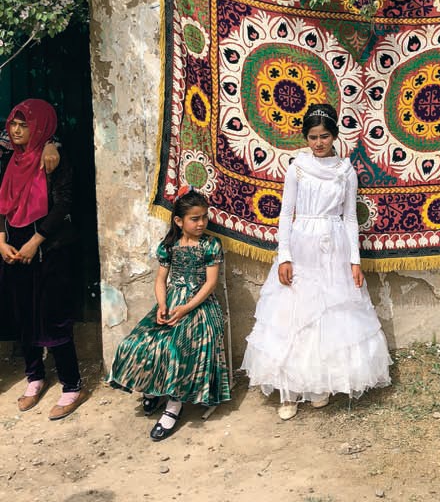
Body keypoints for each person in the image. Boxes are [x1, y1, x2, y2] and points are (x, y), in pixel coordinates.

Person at [241, 103, 392, 420]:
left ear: (334, 136)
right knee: (295, 312)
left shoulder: (345, 172)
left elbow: (349, 218)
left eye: (324, 136)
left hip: (334, 246)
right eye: (312, 137)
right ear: (305, 138)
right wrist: (285, 255)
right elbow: (286, 214)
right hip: (302, 245)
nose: (318, 143)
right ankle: (289, 390)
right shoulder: (297, 168)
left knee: (329, 313)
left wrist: (354, 260)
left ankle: (319, 384)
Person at [107, 188, 231, 440]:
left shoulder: (210, 245)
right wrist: (162, 305)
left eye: (204, 217)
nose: (201, 223)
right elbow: (160, 280)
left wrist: (185, 308)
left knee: (176, 347)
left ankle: (174, 406)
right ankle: (151, 388)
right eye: (195, 219)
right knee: (137, 343)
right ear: (179, 221)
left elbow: (210, 284)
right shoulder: (169, 245)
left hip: (200, 306)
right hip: (172, 302)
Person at [0, 99, 87, 419]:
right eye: (13, 124)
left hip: (49, 248)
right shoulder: (8, 159)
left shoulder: (53, 160)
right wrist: (1, 241)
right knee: (23, 314)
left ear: (39, 128)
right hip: (14, 249)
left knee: (54, 316)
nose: (17, 130)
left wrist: (36, 241)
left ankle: (72, 385)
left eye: (25, 125)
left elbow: (63, 204)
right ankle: (34, 377)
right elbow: (2, 205)